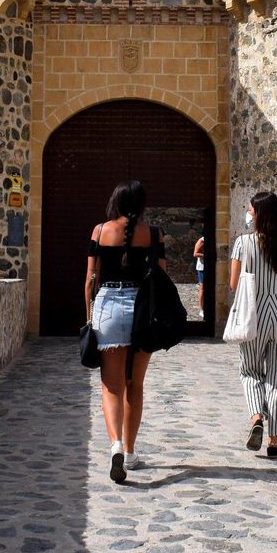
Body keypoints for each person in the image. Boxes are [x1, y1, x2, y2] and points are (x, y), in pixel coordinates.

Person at [86, 180, 165, 483]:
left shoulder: (99, 231)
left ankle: (115, 444)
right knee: (136, 385)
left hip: (108, 305)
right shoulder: (154, 234)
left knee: (111, 386)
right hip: (142, 308)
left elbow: (90, 280)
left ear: (116, 201)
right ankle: (130, 452)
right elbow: (162, 278)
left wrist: (89, 317)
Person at [230, 190, 277, 458]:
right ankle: (274, 442)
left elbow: (233, 283)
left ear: (259, 214)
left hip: (254, 316)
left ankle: (256, 418)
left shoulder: (243, 243)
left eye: (251, 210)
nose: (248, 214)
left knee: (250, 371)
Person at [192, 232, 208, 319]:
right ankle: (201, 310)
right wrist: (206, 255)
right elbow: (195, 254)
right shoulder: (202, 240)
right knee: (202, 288)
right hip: (202, 267)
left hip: (208, 266)